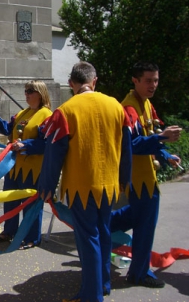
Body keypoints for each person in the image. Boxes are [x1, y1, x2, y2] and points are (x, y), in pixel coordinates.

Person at [38, 61, 132, 302]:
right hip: (109, 184)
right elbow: (126, 147)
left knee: (88, 237)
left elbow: (54, 153)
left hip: (81, 186)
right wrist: (124, 179)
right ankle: (103, 284)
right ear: (95, 80)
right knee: (104, 231)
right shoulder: (116, 106)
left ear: (71, 84)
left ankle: (92, 294)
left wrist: (47, 187)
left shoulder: (66, 110)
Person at [111, 61, 182, 289]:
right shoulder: (128, 109)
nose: (153, 85)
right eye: (149, 80)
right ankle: (139, 273)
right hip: (138, 180)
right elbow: (130, 144)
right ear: (135, 80)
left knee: (137, 219)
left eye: (156, 80)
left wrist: (165, 154)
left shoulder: (147, 105)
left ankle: (98, 226)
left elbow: (151, 137)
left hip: (146, 179)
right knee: (144, 225)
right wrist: (161, 138)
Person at [0, 81, 52, 249]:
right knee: (10, 201)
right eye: (26, 91)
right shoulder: (23, 113)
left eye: (30, 91)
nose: (26, 94)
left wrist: (26, 145)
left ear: (40, 94)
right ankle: (9, 231)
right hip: (13, 167)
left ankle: (31, 237)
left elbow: (48, 143)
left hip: (32, 169)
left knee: (30, 203)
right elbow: (10, 129)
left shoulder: (47, 115)